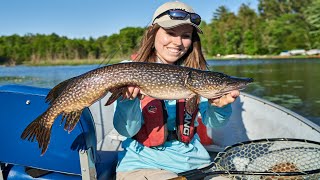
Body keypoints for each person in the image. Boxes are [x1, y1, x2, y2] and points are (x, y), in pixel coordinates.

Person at [113, 1, 239, 179]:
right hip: (143, 164)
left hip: (196, 162)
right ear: (153, 32)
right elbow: (126, 131)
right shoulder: (127, 69)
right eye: (170, 33)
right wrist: (128, 102)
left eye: (186, 35)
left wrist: (220, 107)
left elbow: (213, 123)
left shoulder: (198, 76)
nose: (178, 42)